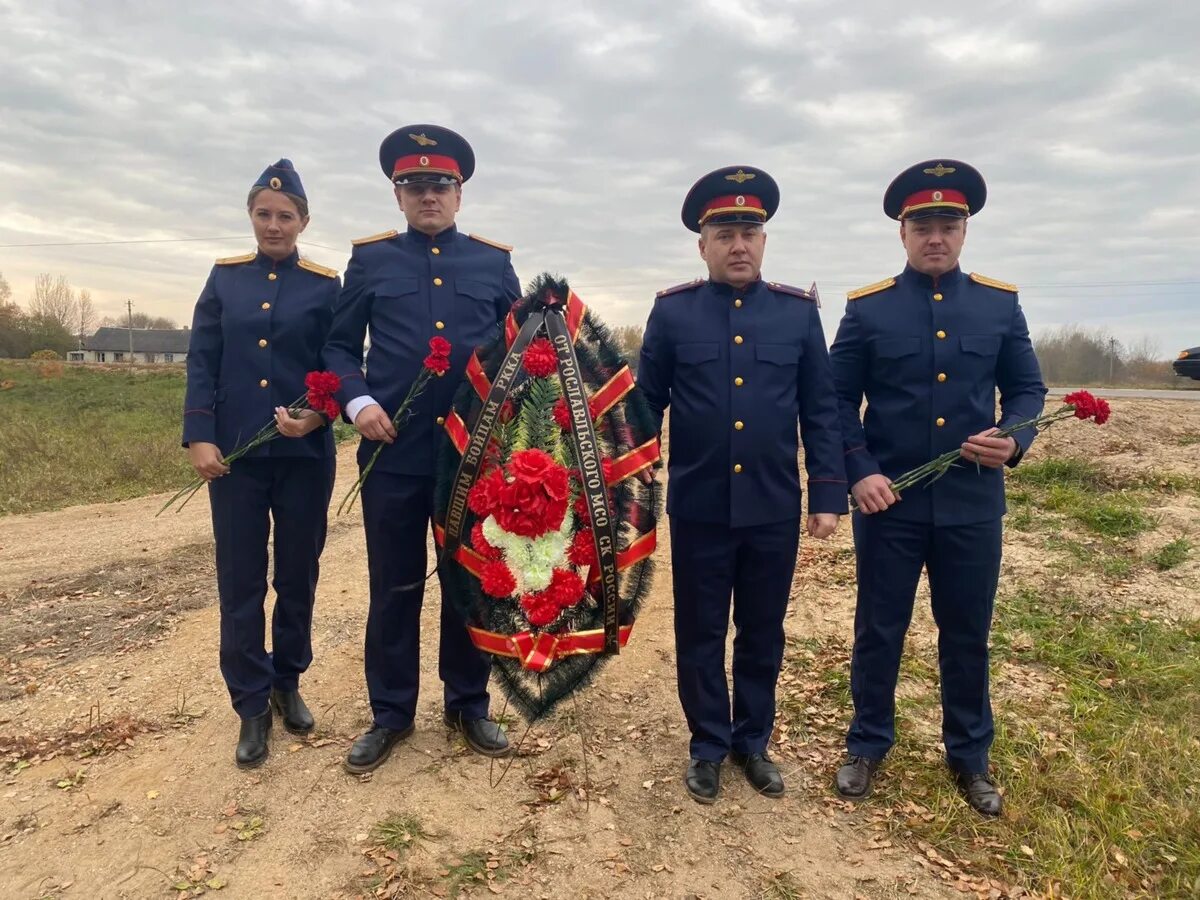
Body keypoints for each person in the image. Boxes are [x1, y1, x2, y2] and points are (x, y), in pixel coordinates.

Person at [828, 159, 1047, 816]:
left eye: (948, 225)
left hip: (973, 503)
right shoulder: (867, 310)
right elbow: (837, 400)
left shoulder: (999, 304)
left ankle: (969, 756)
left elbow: (1030, 390)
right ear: (902, 231)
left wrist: (1016, 438)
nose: (936, 237)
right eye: (923, 225)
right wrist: (860, 468)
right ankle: (867, 743)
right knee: (879, 628)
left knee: (967, 631)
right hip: (888, 502)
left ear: (964, 230)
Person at [637, 166, 847, 804]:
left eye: (749, 232)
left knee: (763, 628)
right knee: (700, 629)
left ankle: (752, 741)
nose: (738, 244)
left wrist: (828, 494)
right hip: (699, 504)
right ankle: (707, 742)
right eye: (724, 232)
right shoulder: (673, 313)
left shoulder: (796, 314)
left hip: (772, 504)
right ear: (701, 244)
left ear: (764, 241)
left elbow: (821, 408)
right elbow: (646, 407)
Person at [324, 124, 521, 774]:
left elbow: (522, 350)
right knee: (394, 585)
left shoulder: (492, 264)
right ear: (398, 194)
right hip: (394, 453)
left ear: (459, 194)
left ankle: (468, 705)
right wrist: (358, 403)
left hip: (473, 457)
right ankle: (391, 714)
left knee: (468, 585)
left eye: (440, 185)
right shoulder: (372, 261)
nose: (428, 195)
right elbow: (337, 347)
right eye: (414, 185)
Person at [182, 159, 340, 768]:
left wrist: (321, 415)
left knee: (297, 573)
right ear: (251, 216)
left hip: (304, 455)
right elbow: (203, 359)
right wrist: (200, 436)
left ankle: (287, 680)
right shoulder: (225, 280)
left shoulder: (326, 286)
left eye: (286, 216)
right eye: (264, 214)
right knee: (240, 580)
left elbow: (339, 362)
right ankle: (250, 702)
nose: (274, 226)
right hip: (237, 459)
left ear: (303, 221)